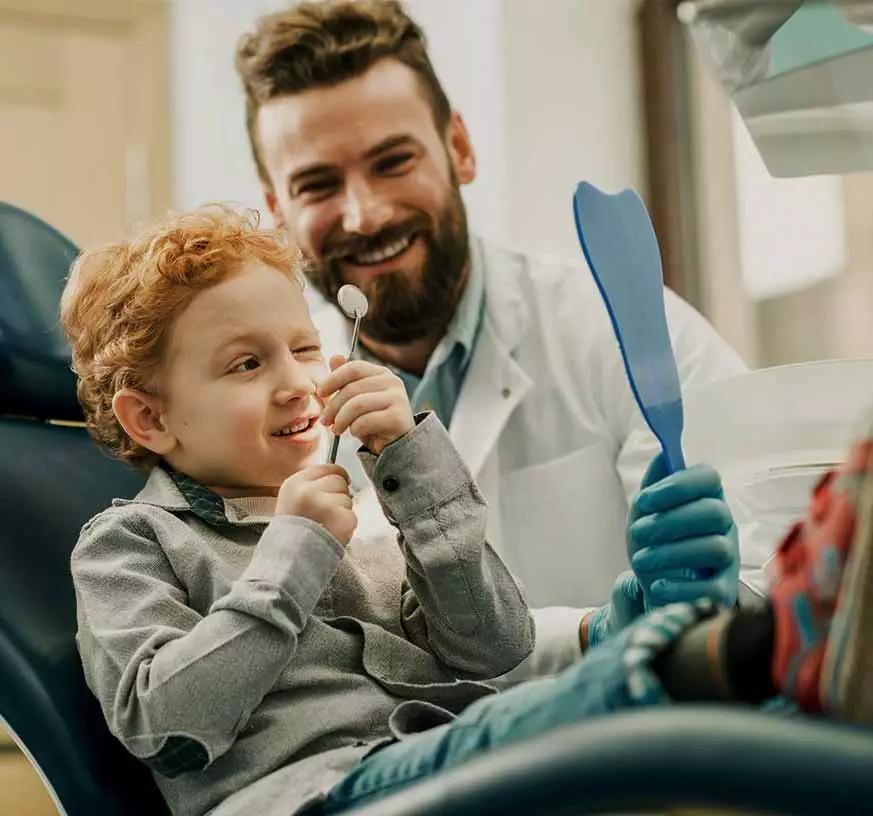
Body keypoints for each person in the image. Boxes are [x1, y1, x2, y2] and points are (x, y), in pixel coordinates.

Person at [63, 206, 871, 816]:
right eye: (245, 363)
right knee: (580, 717)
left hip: (437, 760)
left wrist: (413, 469)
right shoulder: (129, 544)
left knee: (584, 725)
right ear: (151, 419)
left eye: (303, 348)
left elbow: (492, 644)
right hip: (323, 795)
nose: (295, 381)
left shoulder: (357, 517)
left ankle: (764, 661)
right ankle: (743, 652)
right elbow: (163, 722)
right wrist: (294, 553)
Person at [233, 0, 764, 679]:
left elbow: (768, 566)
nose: (363, 215)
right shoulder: (274, 421)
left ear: (459, 147)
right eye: (316, 184)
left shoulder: (611, 331)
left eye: (393, 161)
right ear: (277, 207)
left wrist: (718, 595)